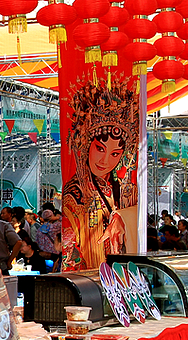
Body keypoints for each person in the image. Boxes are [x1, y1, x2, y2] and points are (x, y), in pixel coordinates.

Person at [59, 78, 138, 271]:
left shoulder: (128, 189)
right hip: (93, 277)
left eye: (114, 154)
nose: (104, 161)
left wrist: (121, 217)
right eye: (100, 149)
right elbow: (71, 250)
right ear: (87, 145)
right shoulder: (75, 192)